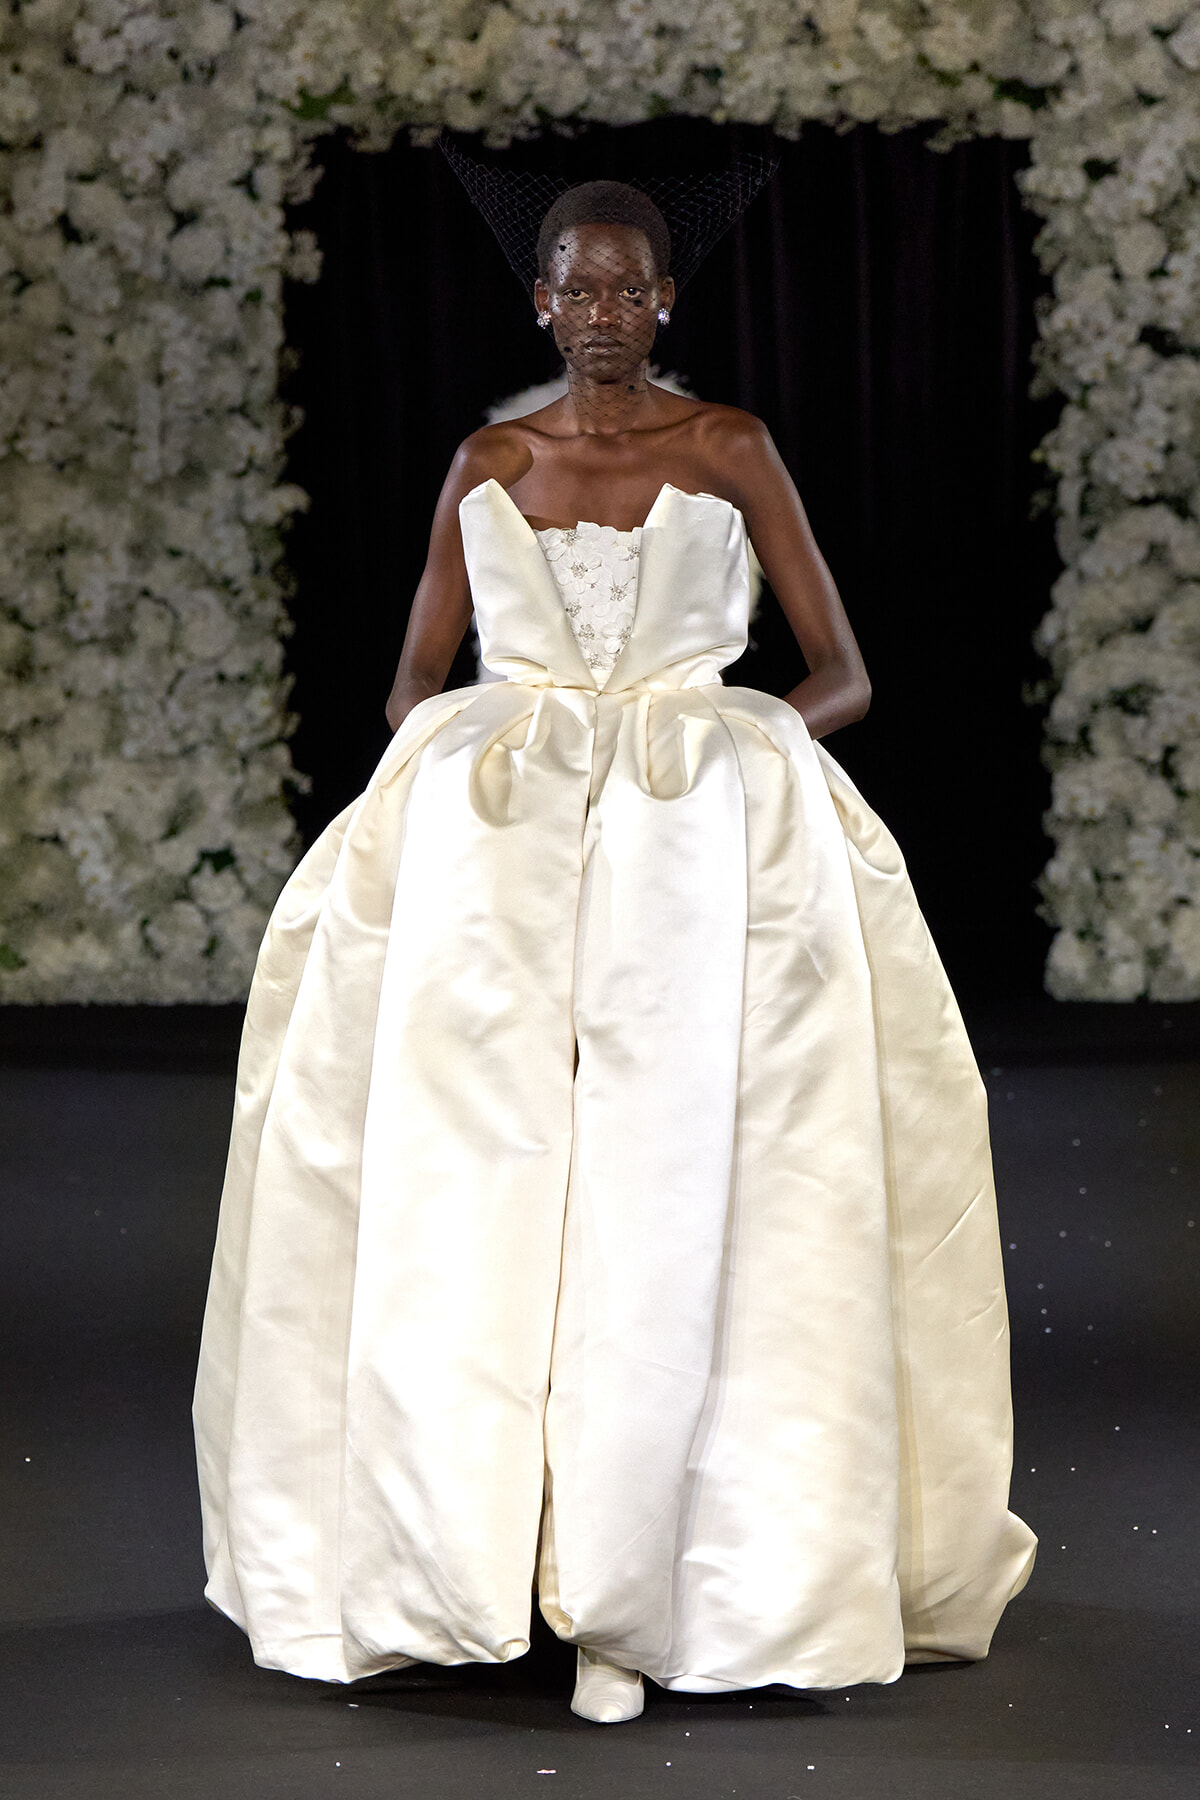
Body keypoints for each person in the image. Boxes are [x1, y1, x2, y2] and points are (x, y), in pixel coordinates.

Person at [194, 179, 1036, 1726]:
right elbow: (410, 680)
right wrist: (477, 771)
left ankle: (693, 1558)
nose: (600, 315)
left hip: (700, 842)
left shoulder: (728, 449)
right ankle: (477, 1552)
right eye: (573, 292)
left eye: (625, 291)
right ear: (540, 304)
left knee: (696, 1174)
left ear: (664, 301)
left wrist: (733, 753)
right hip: (502, 856)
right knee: (482, 1180)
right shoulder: (489, 461)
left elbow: (839, 666)